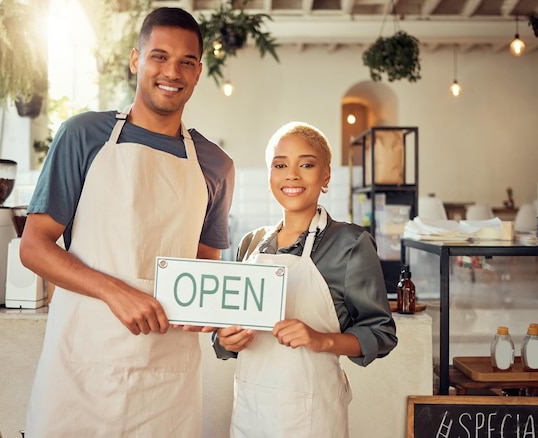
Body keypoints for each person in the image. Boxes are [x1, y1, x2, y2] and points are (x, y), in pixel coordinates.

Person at [20, 7, 234, 437]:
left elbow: (203, 264)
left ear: (197, 72)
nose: (171, 71)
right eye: (159, 56)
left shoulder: (216, 164)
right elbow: (34, 246)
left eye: (186, 62)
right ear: (136, 60)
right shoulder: (83, 135)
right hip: (81, 368)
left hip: (166, 381)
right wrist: (115, 291)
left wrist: (223, 311)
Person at [213, 121, 397, 437]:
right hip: (250, 411)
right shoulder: (251, 244)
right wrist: (225, 340)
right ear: (270, 175)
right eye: (280, 165)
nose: (292, 175)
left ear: (325, 176)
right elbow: (224, 330)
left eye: (307, 164)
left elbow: (381, 333)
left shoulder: (350, 244)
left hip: (313, 416)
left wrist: (322, 339)